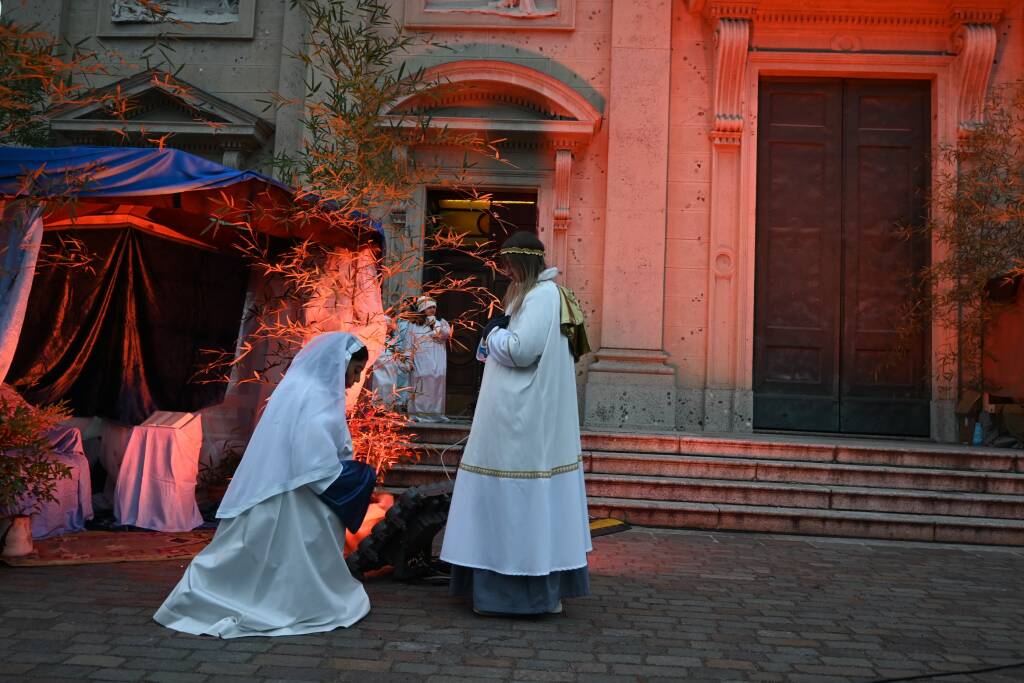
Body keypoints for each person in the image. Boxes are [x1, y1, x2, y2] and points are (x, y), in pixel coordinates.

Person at [154, 332, 373, 638]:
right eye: (354, 372)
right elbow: (312, 455)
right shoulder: (317, 394)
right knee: (296, 546)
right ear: (340, 364)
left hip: (280, 483)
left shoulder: (299, 387)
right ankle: (298, 602)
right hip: (298, 488)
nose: (354, 381)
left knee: (253, 551)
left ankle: (215, 592)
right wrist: (353, 476)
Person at [440, 232, 591, 615]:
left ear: (519, 265)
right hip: (521, 417)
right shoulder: (540, 295)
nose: (504, 274)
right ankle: (509, 591)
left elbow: (523, 351)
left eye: (507, 267)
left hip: (520, 421)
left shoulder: (541, 297)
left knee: (514, 500)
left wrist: (494, 334)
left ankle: (515, 595)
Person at [406, 296, 451, 422]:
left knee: (437, 380)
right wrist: (408, 360)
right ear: (422, 309)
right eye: (429, 307)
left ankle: (435, 413)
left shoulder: (440, 323)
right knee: (422, 381)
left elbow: (445, 335)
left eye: (434, 307)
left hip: (437, 359)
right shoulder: (413, 326)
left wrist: (435, 329)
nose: (432, 310)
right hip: (421, 359)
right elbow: (409, 343)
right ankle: (420, 414)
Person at [370, 314, 411, 410]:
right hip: (377, 373)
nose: (387, 329)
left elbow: (399, 357)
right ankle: (375, 409)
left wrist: (406, 365)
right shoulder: (373, 340)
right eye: (385, 327)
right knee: (378, 390)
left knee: (389, 390)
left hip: (391, 373)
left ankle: (387, 409)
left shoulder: (394, 342)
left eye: (389, 327)